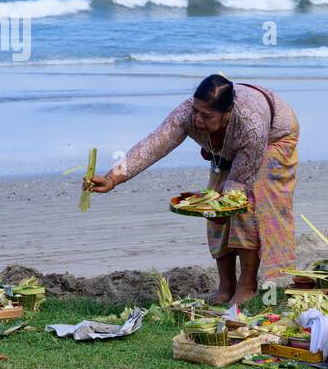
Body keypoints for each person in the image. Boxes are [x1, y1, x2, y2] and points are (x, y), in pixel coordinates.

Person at [88, 75, 299, 303]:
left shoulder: (251, 126)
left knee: (244, 210)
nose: (197, 119)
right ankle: (226, 284)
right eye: (197, 111)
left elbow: (239, 186)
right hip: (230, 145)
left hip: (274, 137)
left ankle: (247, 284)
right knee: (213, 200)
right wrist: (112, 178)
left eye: (207, 116)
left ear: (227, 113)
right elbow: (152, 145)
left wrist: (224, 209)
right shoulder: (188, 111)